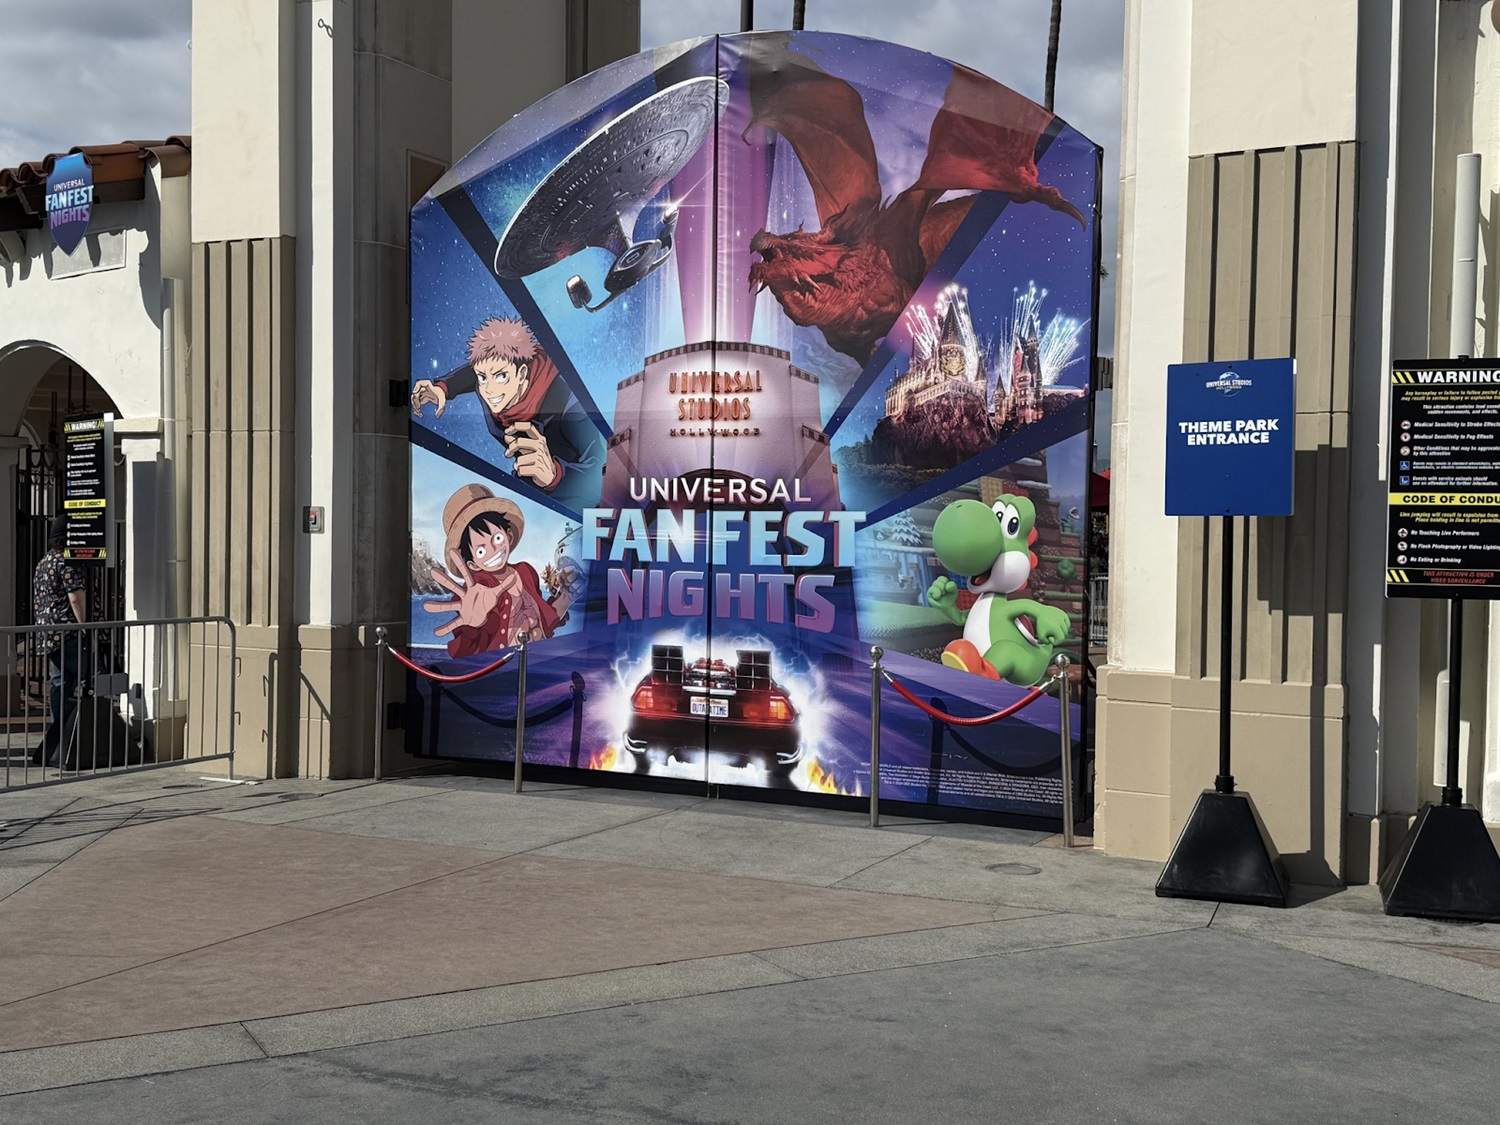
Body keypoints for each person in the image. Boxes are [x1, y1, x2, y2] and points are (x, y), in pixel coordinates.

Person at [410, 317, 604, 511]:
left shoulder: (569, 407)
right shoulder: (488, 381)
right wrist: (442, 388)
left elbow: (601, 472)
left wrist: (556, 475)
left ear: (521, 374)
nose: (490, 390)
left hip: (575, 495)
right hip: (529, 482)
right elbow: (474, 371)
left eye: (501, 376)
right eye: (483, 378)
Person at [424, 484, 567, 658]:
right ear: (472, 564)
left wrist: (568, 596)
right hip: (504, 669)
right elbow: (470, 647)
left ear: (509, 536)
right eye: (481, 551)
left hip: (538, 662)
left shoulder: (526, 572)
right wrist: (474, 626)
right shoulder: (476, 591)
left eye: (497, 538)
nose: (493, 549)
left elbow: (545, 620)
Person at [32, 515, 86, 763]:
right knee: (88, 677)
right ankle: (68, 732)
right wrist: (86, 627)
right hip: (67, 631)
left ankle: (59, 733)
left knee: (59, 683)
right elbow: (75, 598)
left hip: (47, 633)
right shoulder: (67, 561)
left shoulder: (44, 562)